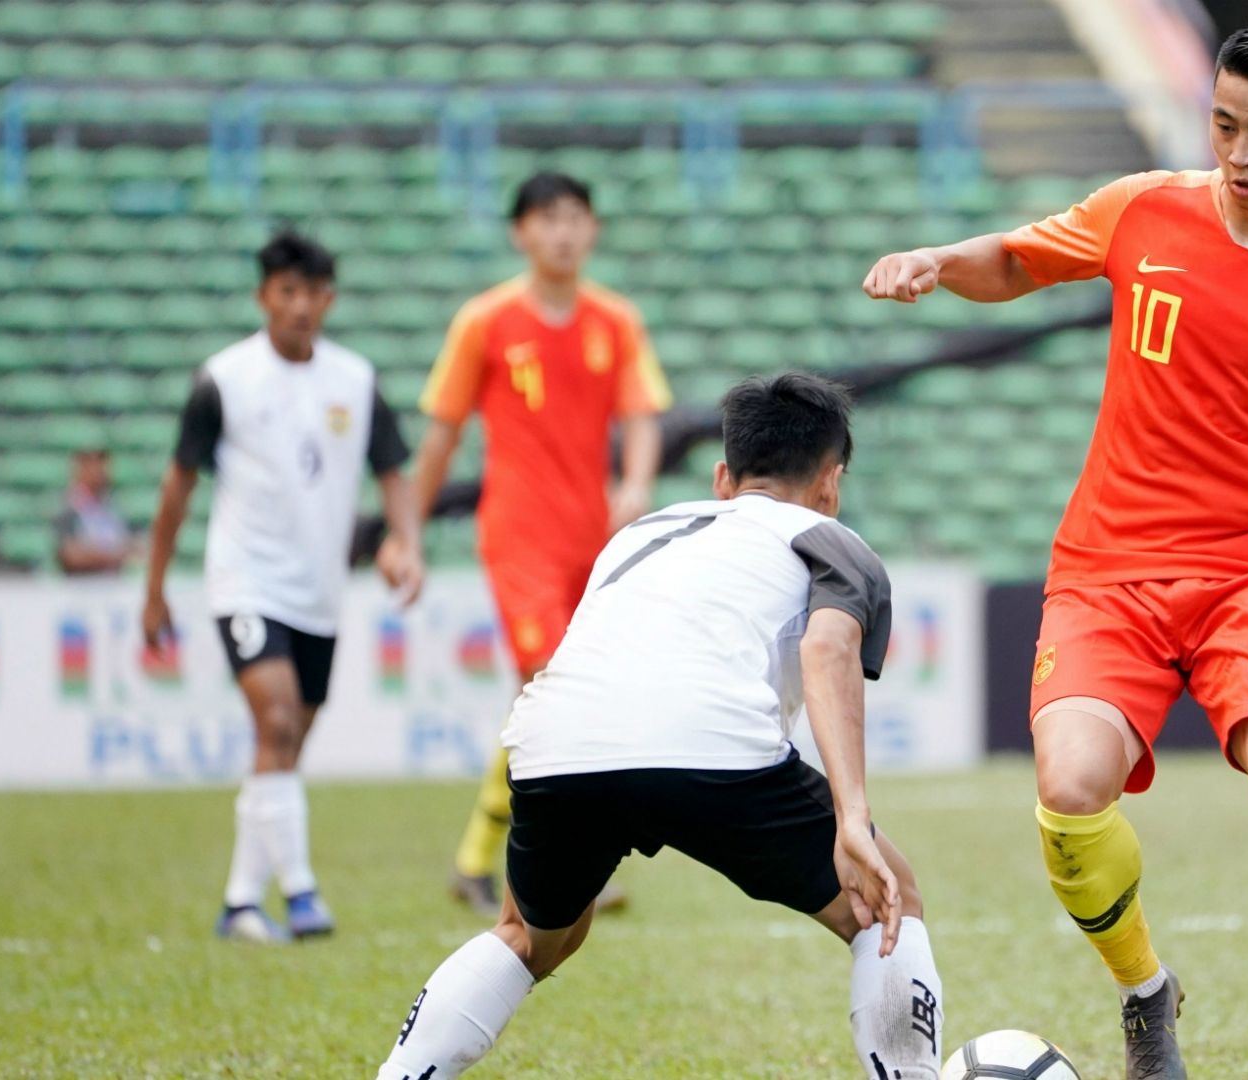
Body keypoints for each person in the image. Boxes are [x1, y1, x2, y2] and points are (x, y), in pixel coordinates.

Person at [862, 14, 1248, 1080]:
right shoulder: (1144, 208)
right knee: (1069, 788)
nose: (1238, 155)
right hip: (1104, 578)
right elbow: (1016, 261)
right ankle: (1147, 994)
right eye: (1224, 126)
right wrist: (937, 262)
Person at [375, 373, 943, 1080]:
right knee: (888, 903)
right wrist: (851, 816)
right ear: (831, 482)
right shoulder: (832, 539)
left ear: (722, 477)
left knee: (529, 935)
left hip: (555, 743)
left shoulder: (641, 533)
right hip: (714, 749)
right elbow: (826, 648)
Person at [386, 171, 670, 914]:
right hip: (519, 537)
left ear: (594, 230)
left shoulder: (616, 320)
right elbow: (441, 437)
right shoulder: (484, 322)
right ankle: (536, 866)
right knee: (552, 685)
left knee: (549, 701)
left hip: (595, 542)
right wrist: (404, 532)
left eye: (576, 217)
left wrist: (635, 482)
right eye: (547, 219)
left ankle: (480, 861)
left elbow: (642, 415)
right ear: (520, 232)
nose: (563, 232)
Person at [142, 229, 425, 943]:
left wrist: (405, 542)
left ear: (330, 300)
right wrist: (154, 586)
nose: (299, 306)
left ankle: (240, 901)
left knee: (285, 747)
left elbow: (394, 474)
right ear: (263, 296)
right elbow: (178, 487)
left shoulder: (355, 382)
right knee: (274, 723)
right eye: (286, 292)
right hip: (247, 580)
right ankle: (301, 894)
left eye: (313, 293)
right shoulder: (223, 379)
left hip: (319, 591)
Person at [54, 448, 134, 575]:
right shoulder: (68, 509)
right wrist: (113, 555)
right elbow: (71, 556)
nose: (98, 471)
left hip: (113, 586)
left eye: (101, 464)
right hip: (81, 587)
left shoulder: (113, 507)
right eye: (91, 465)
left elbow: (133, 550)